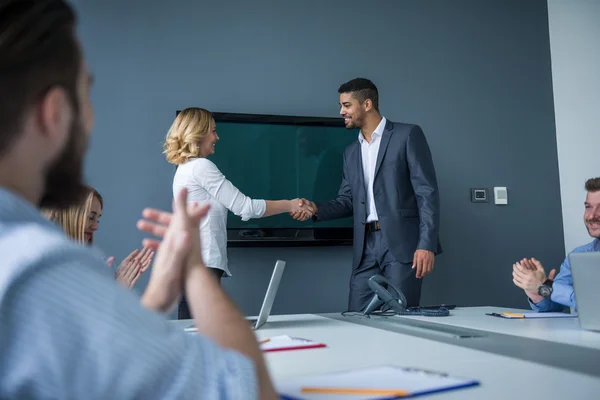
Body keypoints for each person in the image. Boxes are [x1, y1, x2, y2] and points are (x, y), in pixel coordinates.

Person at [0, 1, 277, 398]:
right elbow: (247, 389)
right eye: (87, 96)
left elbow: (104, 366)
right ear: (55, 112)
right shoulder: (42, 273)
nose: (91, 118)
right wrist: (196, 271)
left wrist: (151, 301)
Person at [291, 78, 442, 311]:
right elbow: (346, 200)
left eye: (347, 105)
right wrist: (315, 208)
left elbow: (427, 193)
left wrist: (426, 244)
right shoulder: (351, 152)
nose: (342, 112)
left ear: (367, 104)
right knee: (356, 318)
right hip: (365, 247)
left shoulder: (407, 135)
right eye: (341, 106)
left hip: (403, 246)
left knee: (400, 319)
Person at [163, 107, 311, 318]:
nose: (217, 137)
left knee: (197, 330)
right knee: (201, 332)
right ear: (198, 133)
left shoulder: (185, 169)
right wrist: (290, 204)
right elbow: (245, 207)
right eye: (213, 131)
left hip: (196, 262)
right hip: (202, 263)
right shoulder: (201, 167)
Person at [512, 177, 600, 312]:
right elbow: (555, 304)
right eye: (588, 207)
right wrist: (537, 292)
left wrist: (546, 287)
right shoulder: (579, 255)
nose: (591, 216)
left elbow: (594, 306)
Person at [42, 185, 154, 289]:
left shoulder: (81, 265)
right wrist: (114, 291)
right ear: (69, 216)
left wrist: (113, 286)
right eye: (91, 217)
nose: (96, 227)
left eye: (98, 220)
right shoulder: (45, 265)